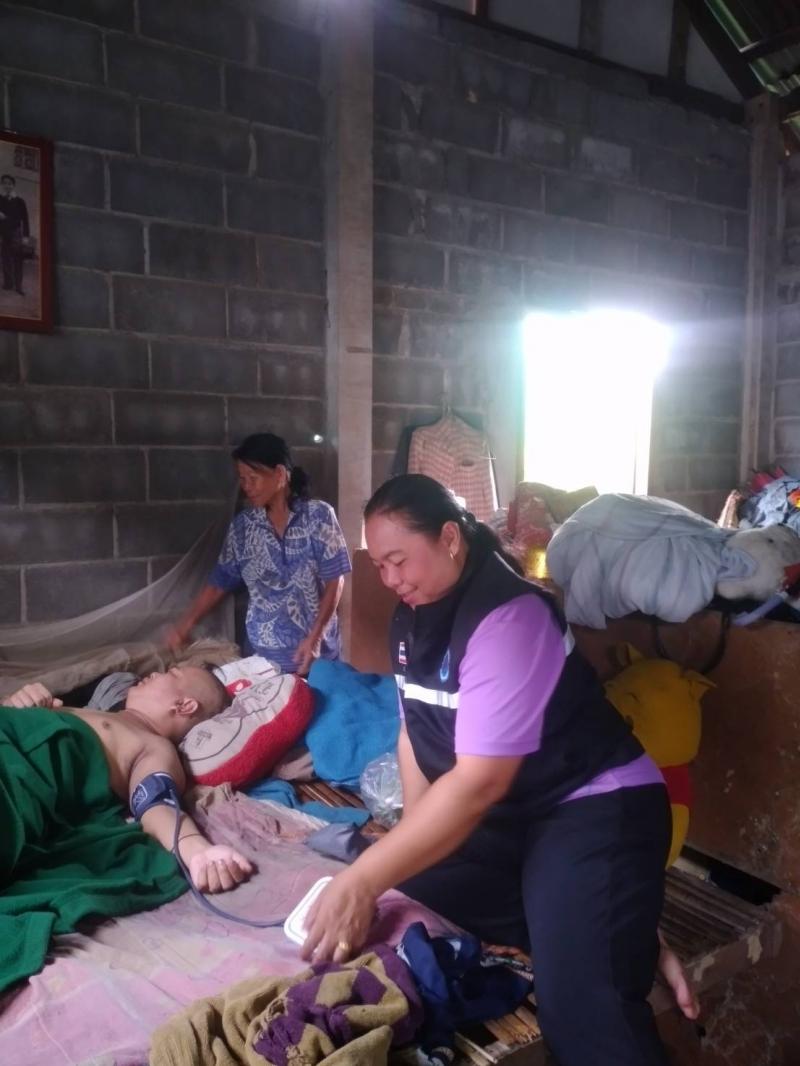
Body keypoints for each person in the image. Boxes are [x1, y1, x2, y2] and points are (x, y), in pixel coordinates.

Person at [300, 474, 683, 1066]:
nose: (390, 578)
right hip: (515, 819)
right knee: (412, 883)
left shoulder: (510, 617)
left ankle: (599, 929)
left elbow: (479, 784)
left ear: (450, 539)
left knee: (581, 1009)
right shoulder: (411, 621)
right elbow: (413, 733)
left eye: (399, 560)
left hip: (590, 807)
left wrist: (364, 880)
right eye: (378, 565)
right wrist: (403, 843)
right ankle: (610, 924)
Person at [3, 665, 252, 894]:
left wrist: (196, 850)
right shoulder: (95, 712)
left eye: (172, 673)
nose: (154, 673)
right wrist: (18, 702)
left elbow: (156, 804)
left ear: (185, 705)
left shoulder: (153, 745)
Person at [167, 433, 351, 675]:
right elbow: (219, 583)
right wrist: (184, 626)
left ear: (280, 474)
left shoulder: (318, 516)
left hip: (316, 656)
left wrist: (315, 638)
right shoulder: (243, 528)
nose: (247, 487)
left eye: (253, 478)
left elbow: (335, 580)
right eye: (242, 479)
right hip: (263, 661)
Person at [0, 174, 30, 296]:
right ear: (2, 185)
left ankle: (18, 286)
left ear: (13, 185)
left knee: (18, 260)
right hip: (4, 233)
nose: (7, 186)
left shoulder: (20, 201)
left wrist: (26, 236)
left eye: (9, 183)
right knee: (5, 259)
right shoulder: (0, 199)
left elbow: (25, 219)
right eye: (4, 183)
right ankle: (8, 283)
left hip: (16, 233)